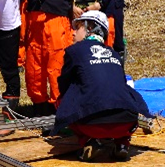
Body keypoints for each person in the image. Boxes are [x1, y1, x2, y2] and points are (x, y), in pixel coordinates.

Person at [53, 10, 149, 163]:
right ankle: (122, 144)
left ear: (90, 27)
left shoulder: (74, 51)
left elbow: (64, 84)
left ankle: (89, 142)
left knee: (62, 100)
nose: (72, 33)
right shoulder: (114, 53)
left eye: (77, 28)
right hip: (127, 122)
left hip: (91, 125)